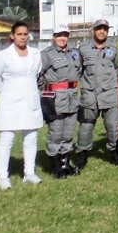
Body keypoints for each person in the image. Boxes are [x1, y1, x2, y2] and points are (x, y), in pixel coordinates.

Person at [0, 21, 45, 190]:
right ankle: (2, 176)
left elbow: (37, 73)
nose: (22, 37)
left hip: (31, 100)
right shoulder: (2, 56)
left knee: (31, 137)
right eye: (19, 34)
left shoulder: (35, 54)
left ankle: (29, 173)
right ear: (12, 36)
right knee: (7, 138)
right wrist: (6, 94)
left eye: (25, 34)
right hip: (9, 102)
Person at [76, 19, 118, 169]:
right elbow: (78, 70)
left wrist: (108, 83)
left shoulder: (113, 48)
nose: (102, 31)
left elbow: (117, 68)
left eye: (105, 29)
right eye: (99, 29)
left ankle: (115, 152)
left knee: (113, 125)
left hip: (109, 93)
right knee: (86, 126)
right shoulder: (83, 48)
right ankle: (82, 155)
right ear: (93, 30)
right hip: (90, 94)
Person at [40, 23, 82, 179]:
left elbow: (79, 71)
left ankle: (65, 162)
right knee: (56, 132)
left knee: (69, 131)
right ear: (53, 37)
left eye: (65, 35)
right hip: (55, 98)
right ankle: (55, 165)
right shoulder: (47, 54)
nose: (62, 38)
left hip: (72, 96)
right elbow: (38, 75)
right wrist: (46, 92)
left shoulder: (74, 53)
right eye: (59, 35)